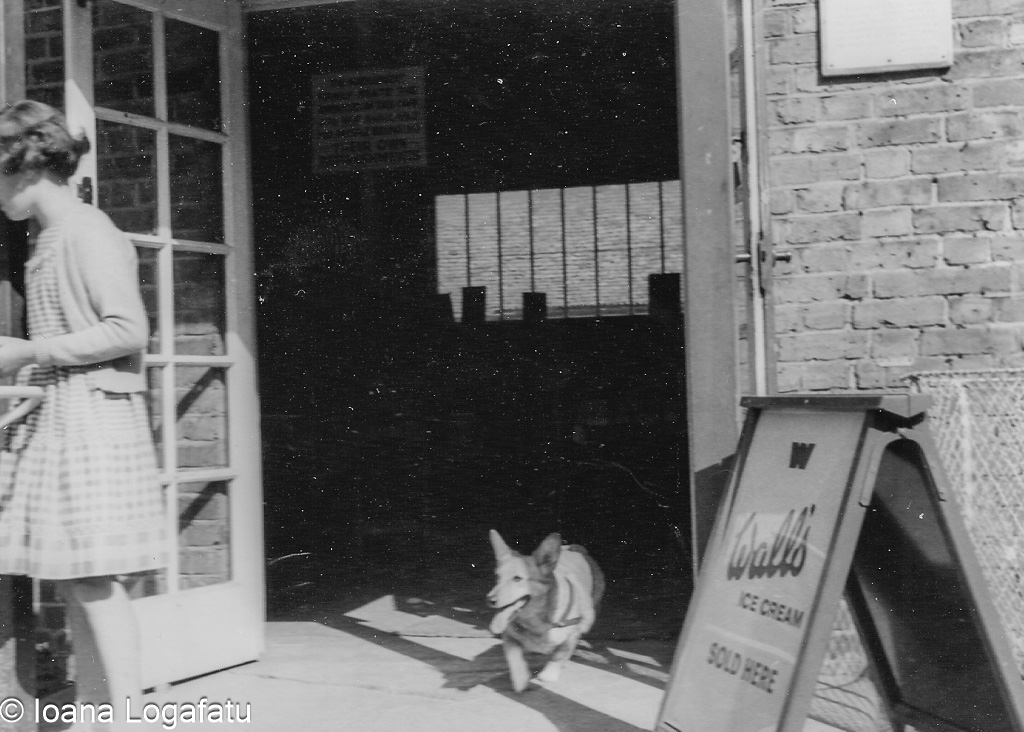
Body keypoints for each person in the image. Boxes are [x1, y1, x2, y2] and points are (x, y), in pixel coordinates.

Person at [0, 100, 167, 728]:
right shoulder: (49, 239)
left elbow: (128, 328)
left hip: (95, 418)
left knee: (95, 578)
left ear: (21, 166)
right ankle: (100, 715)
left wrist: (30, 351)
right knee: (76, 578)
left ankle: (126, 716)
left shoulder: (87, 231)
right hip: (67, 417)